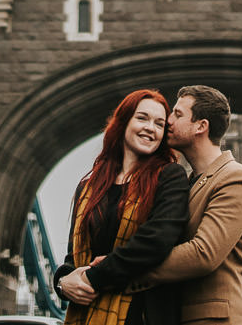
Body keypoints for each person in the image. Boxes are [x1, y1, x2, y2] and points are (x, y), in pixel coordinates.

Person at [127, 85, 242, 325]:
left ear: (201, 126)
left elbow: (203, 254)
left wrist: (124, 270)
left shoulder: (236, 178)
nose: (167, 121)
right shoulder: (189, 182)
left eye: (177, 115)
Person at [55, 88, 190, 325]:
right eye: (142, 118)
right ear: (123, 122)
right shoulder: (88, 187)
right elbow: (73, 257)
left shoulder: (169, 177)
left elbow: (156, 242)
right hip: (85, 314)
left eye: (160, 124)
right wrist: (63, 282)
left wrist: (93, 277)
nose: (151, 128)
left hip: (140, 313)